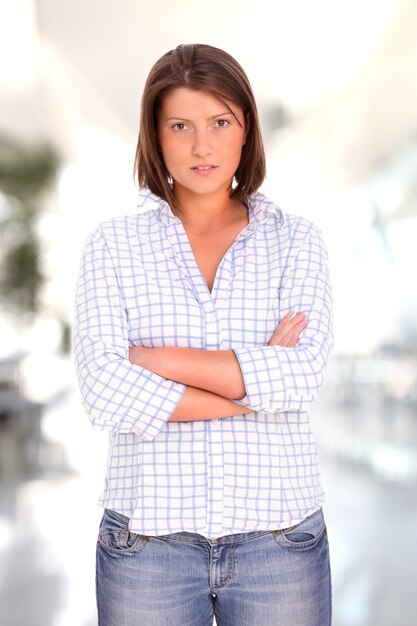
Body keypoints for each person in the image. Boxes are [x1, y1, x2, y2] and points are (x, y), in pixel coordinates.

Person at [73, 43, 333, 626]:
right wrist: (251, 386)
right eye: (180, 126)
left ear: (246, 130)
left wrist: (152, 357)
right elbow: (104, 390)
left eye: (220, 122)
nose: (202, 145)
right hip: (147, 544)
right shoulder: (112, 246)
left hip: (280, 539)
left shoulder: (297, 242)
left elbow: (302, 374)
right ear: (155, 136)